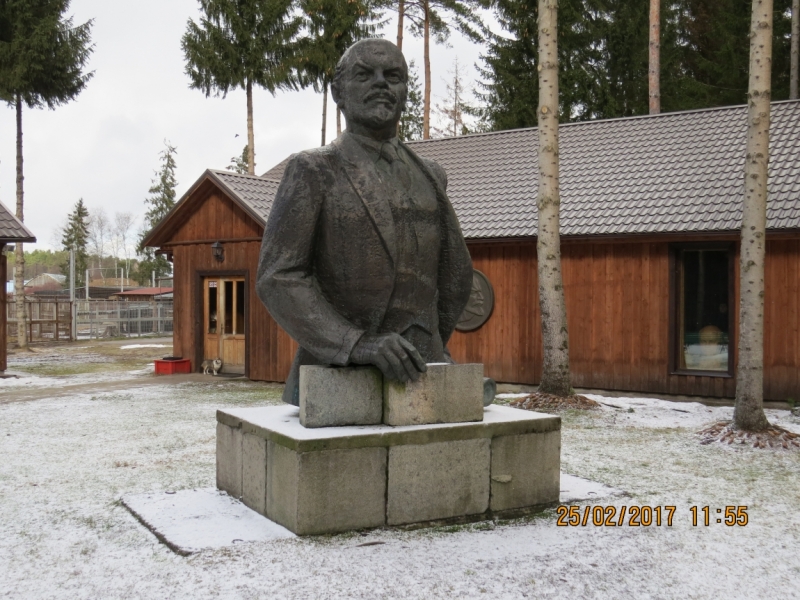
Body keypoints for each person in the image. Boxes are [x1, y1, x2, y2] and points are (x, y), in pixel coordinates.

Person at [256, 38, 473, 406]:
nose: (381, 84)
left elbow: (451, 275)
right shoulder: (313, 170)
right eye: (365, 74)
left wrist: (430, 340)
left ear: (405, 92)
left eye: (393, 76)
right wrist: (355, 343)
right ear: (338, 92)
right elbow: (279, 276)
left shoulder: (432, 175)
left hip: (425, 364)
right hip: (338, 375)